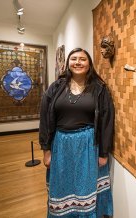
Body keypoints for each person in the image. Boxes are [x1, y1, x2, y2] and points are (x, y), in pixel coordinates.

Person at [39, 48, 115, 217]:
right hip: (61, 144)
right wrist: (46, 150)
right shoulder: (56, 87)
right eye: (74, 59)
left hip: (88, 145)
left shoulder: (99, 89)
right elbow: (44, 119)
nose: (78, 62)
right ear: (68, 63)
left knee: (85, 188)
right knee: (62, 186)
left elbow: (107, 121)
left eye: (83, 59)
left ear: (89, 64)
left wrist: (103, 153)